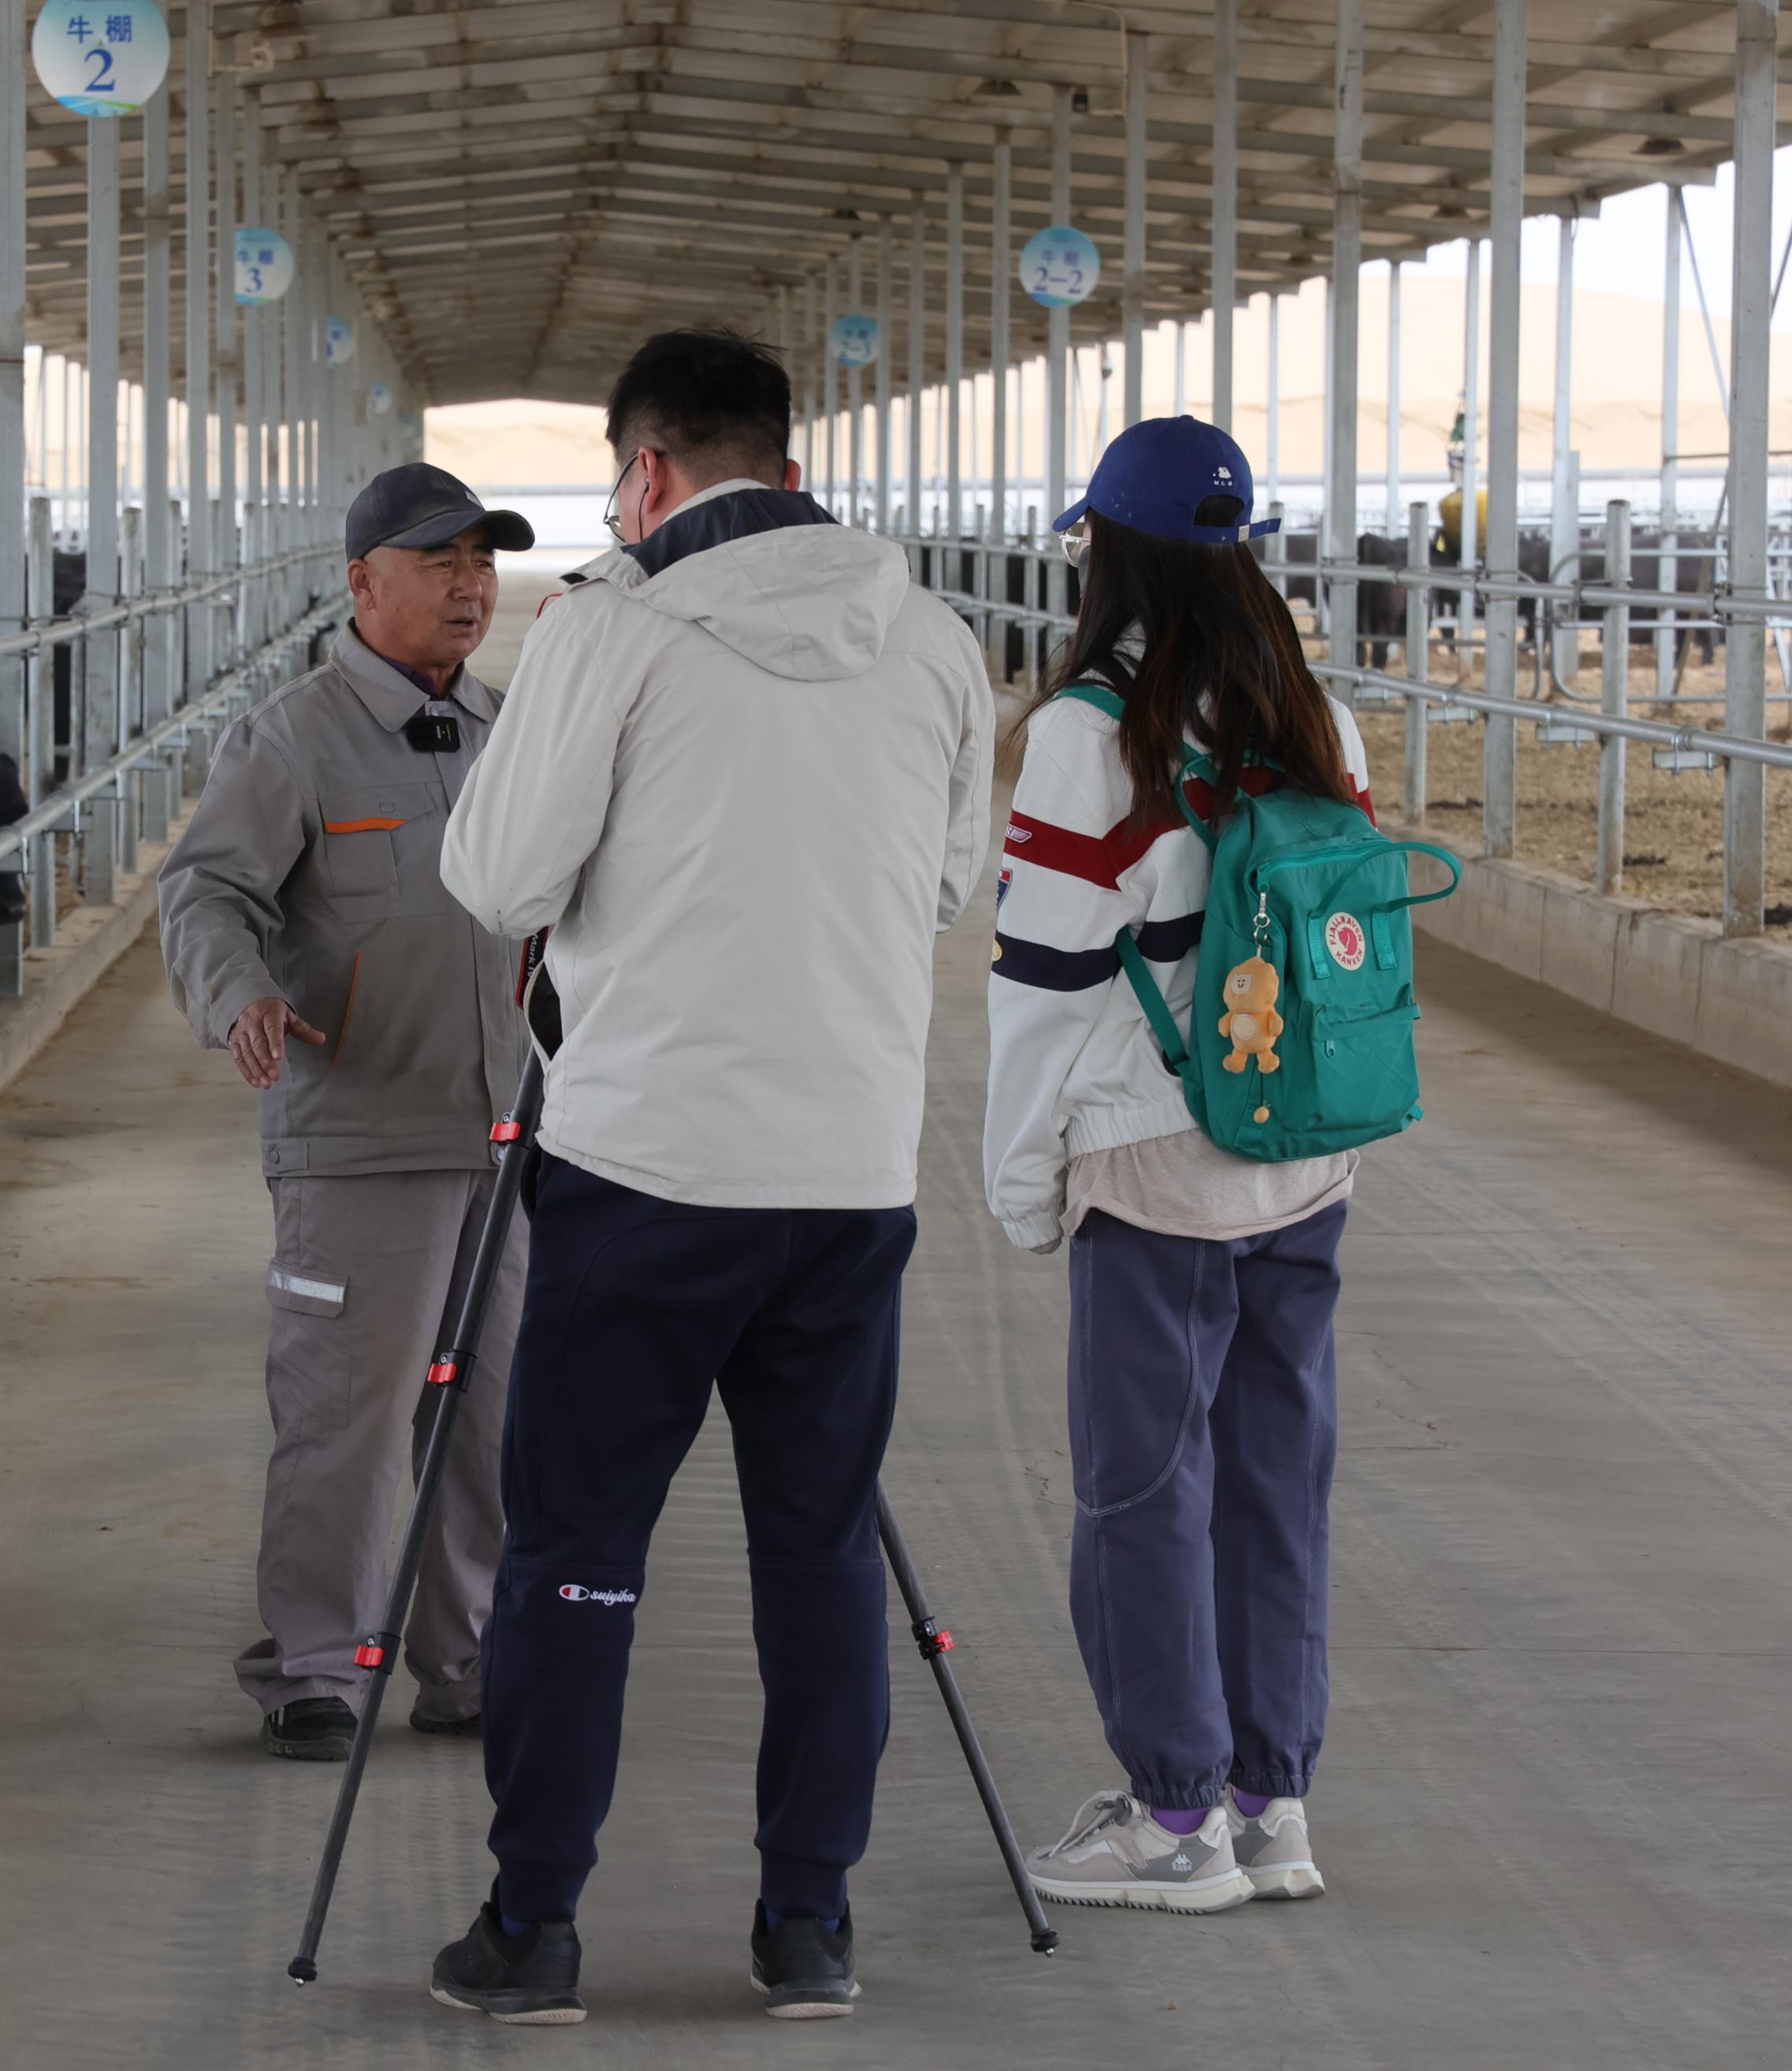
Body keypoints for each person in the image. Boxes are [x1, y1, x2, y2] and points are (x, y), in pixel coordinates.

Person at [427, 329, 993, 2023]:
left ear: (650, 475)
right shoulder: (941, 643)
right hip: (848, 1170)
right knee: (818, 1549)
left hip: (647, 1165)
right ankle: (809, 1923)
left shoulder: (611, 630)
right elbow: (951, 882)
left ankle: (536, 1928)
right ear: (792, 461)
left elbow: (498, 868)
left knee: (579, 1549)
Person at [982, 415, 1370, 1913]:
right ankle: (1270, 1804)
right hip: (1304, 1154)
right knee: (1277, 1482)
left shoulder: (1091, 730)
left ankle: (1169, 1821)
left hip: (1154, 1164)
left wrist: (1022, 1180)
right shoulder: (1298, 704)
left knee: (1143, 1488)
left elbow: (1041, 982)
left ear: (1105, 546)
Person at [157, 462, 537, 1761]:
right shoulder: (291, 736)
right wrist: (237, 997)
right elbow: (206, 894)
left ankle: (466, 1656)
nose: (468, 584)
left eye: (482, 561)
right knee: (350, 1417)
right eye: (439, 562)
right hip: (362, 1136)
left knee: (489, 1423)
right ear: (362, 581)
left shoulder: (505, 730)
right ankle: (318, 1662)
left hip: (502, 1133)